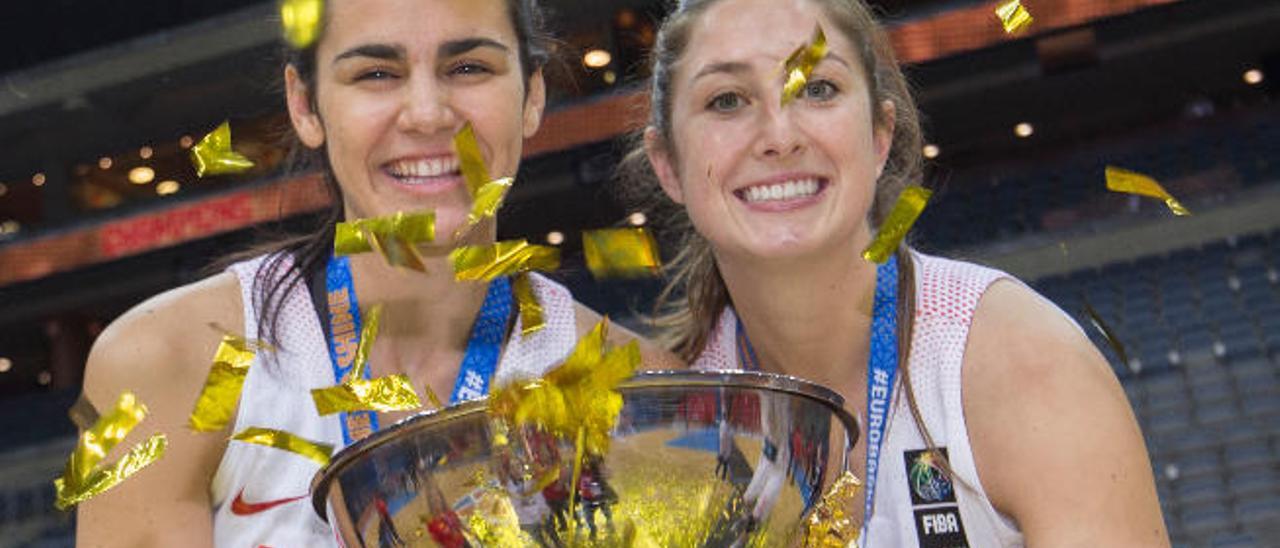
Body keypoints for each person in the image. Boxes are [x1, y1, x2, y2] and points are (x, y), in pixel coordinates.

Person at [77, 0, 674, 546]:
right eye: (376, 74)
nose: (427, 114)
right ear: (305, 105)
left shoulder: (637, 389)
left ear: (532, 96)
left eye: (468, 68)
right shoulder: (165, 363)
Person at [625, 0, 1170, 545]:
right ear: (668, 164)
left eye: (818, 89)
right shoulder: (664, 432)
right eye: (726, 100)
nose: (779, 134)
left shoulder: (1022, 364)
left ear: (880, 135)